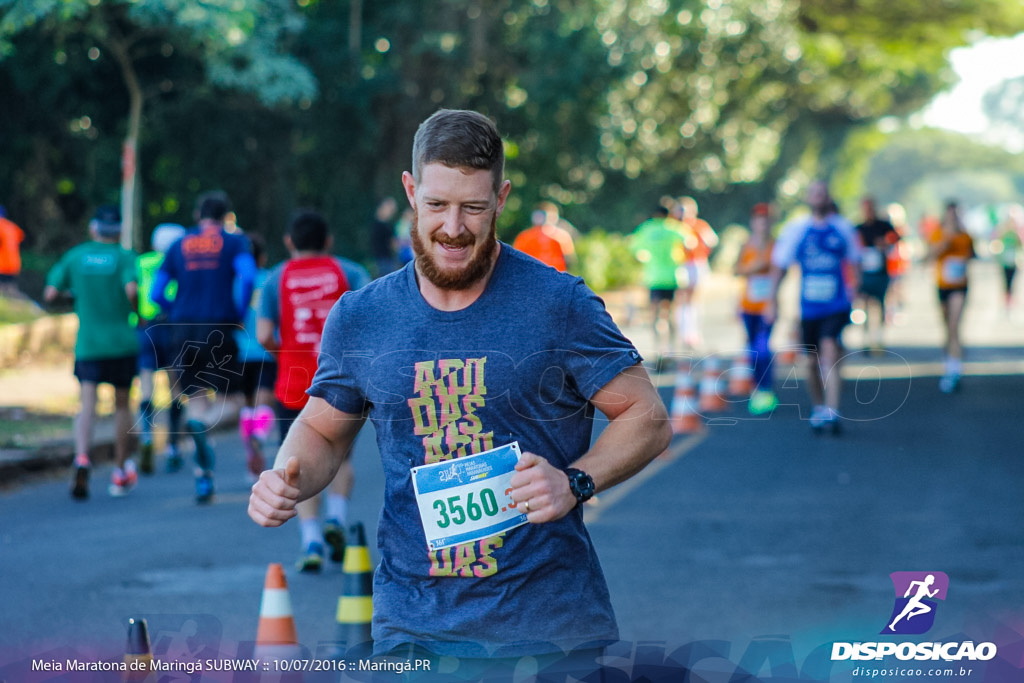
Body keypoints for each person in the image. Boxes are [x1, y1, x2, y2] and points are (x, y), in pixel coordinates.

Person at [249, 109, 670, 673]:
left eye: (473, 207)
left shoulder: (558, 303)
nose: (453, 227)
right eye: (436, 205)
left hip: (547, 626)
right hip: (413, 625)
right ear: (410, 190)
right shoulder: (362, 316)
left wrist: (574, 481)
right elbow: (324, 429)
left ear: (501, 198)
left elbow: (646, 415)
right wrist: (287, 477)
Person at [256, 209, 371, 573]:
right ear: (328, 241)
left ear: (289, 242)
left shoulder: (275, 279)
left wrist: (286, 353)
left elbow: (262, 335)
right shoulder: (350, 273)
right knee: (341, 455)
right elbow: (370, 324)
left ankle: (311, 541)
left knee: (295, 464)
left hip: (294, 381)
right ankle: (336, 518)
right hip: (342, 380)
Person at [152, 191, 257, 503]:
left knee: (195, 398)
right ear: (225, 216)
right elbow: (248, 275)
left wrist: (175, 309)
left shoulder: (179, 244)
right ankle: (204, 424)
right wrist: (237, 311)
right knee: (234, 401)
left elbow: (156, 292)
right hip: (219, 327)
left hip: (182, 329)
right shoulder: (233, 242)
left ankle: (203, 479)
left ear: (198, 215)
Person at [44, 206, 140, 499]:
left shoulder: (76, 256)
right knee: (121, 406)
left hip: (88, 343)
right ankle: (120, 470)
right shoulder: (125, 257)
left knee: (87, 404)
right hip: (122, 341)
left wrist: (75, 297)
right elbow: (132, 291)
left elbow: (49, 294)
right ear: (118, 231)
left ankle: (82, 458)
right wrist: (137, 314)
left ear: (93, 229)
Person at [765, 180, 859, 434]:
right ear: (808, 198)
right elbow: (780, 266)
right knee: (810, 361)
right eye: (814, 193)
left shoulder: (842, 228)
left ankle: (832, 411)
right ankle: (819, 407)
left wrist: (855, 294)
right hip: (809, 308)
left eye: (822, 193)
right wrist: (772, 300)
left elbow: (855, 261)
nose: (818, 198)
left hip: (836, 303)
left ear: (828, 197)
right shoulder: (797, 229)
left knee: (830, 350)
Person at [135, 223, 187, 474]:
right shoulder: (180, 262)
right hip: (173, 325)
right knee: (175, 385)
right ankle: (173, 445)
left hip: (145, 325)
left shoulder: (141, 262)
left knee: (146, 382)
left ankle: (146, 436)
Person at [235, 232, 277, 481]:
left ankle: (252, 457)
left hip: (239, 350)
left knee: (246, 406)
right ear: (262, 257)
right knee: (265, 402)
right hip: (265, 350)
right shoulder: (270, 280)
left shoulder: (234, 281)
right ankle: (260, 437)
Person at [733, 203, 777, 415]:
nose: (762, 223)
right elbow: (737, 269)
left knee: (763, 346)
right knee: (752, 347)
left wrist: (774, 301)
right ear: (753, 223)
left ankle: (766, 389)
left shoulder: (775, 245)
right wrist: (754, 267)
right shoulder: (746, 245)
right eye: (758, 219)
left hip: (767, 305)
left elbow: (782, 273)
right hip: (748, 305)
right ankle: (757, 388)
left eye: (765, 219)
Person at [928, 201, 975, 393]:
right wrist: (945, 242)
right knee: (947, 326)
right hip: (943, 285)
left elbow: (971, 255)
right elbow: (929, 256)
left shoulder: (966, 237)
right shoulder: (939, 234)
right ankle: (949, 359)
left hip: (959, 286)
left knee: (955, 324)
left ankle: (954, 367)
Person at [630, 205, 687, 351]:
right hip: (672, 277)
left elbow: (634, 247)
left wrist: (644, 257)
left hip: (653, 277)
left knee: (654, 316)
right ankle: (673, 349)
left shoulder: (646, 228)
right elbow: (690, 243)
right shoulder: (674, 227)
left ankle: (657, 349)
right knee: (671, 315)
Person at [672, 196, 719, 347]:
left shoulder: (700, 225)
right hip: (682, 265)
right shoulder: (675, 226)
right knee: (682, 298)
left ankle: (692, 333)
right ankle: (684, 333)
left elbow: (711, 240)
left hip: (696, 264)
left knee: (693, 300)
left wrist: (703, 252)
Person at [853, 197, 898, 354]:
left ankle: (879, 340)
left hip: (880, 272)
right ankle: (865, 340)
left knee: (880, 305)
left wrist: (885, 243)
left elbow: (896, 238)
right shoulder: (858, 228)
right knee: (864, 304)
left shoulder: (884, 226)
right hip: (865, 273)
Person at [512, 204, 576, 272]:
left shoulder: (561, 236)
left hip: (555, 277)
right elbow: (517, 259)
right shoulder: (525, 237)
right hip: (534, 276)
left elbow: (569, 260)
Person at [370, 196, 398, 278]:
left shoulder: (380, 224)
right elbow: (393, 243)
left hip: (383, 257)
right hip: (384, 258)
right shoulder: (383, 225)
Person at [0, 205, 25, 297]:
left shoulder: (0, 226)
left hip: (2, 264)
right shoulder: (11, 226)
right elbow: (21, 237)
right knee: (10, 289)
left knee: (2, 291)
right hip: (14, 264)